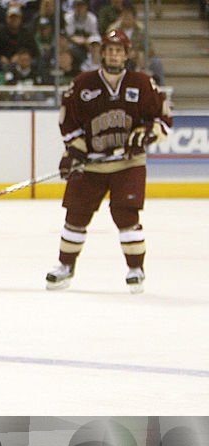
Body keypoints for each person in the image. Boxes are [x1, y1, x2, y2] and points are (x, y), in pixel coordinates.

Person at [46, 30, 172, 294]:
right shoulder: (82, 84)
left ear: (127, 54)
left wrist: (147, 134)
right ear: (102, 52)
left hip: (128, 163)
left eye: (119, 50)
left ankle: (136, 269)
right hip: (92, 165)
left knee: (126, 215)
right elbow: (68, 122)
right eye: (109, 49)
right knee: (76, 215)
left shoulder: (143, 83)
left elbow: (163, 119)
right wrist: (75, 151)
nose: (114, 54)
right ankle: (65, 267)